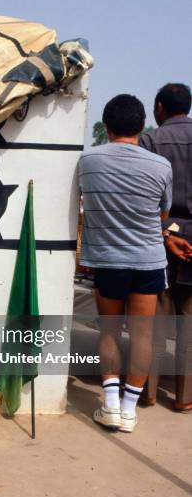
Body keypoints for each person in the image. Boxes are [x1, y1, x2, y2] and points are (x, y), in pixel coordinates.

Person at [78, 94, 172, 432]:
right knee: (143, 335)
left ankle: (111, 405)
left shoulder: (88, 160)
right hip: (149, 261)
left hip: (108, 261)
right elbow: (162, 215)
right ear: (141, 125)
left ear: (106, 126)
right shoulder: (161, 166)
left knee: (109, 331)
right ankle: (130, 411)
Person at [139, 83, 192, 411]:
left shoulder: (151, 140)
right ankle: (185, 398)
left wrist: (162, 230)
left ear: (159, 107)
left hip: (160, 233)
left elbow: (144, 194)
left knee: (155, 317)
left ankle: (149, 390)